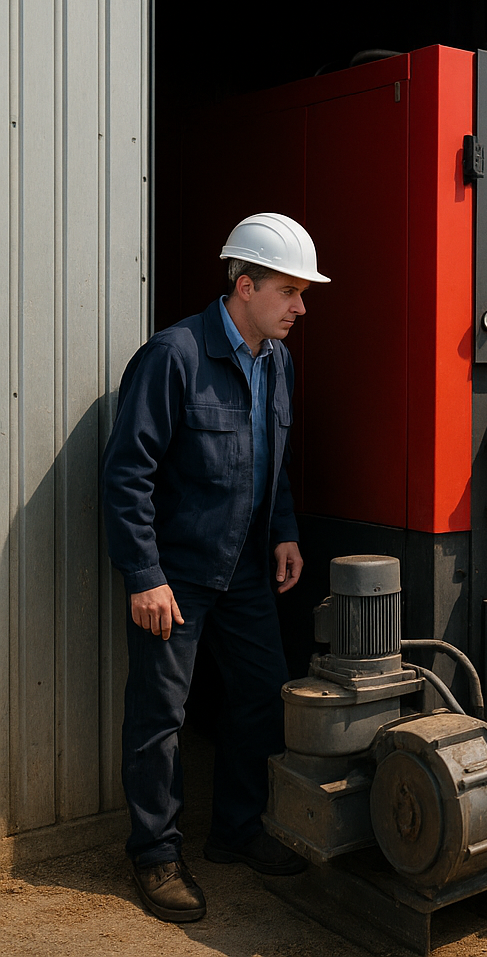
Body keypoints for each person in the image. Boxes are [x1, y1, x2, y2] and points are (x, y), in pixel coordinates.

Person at [101, 213, 330, 923]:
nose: (300, 306)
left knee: (260, 697)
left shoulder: (276, 361)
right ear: (244, 285)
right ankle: (155, 854)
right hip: (180, 576)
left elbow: (272, 462)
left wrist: (285, 532)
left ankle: (236, 831)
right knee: (160, 718)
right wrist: (144, 574)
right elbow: (126, 475)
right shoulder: (174, 356)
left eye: (302, 293)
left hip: (248, 572)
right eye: (289, 290)